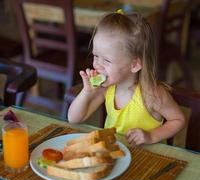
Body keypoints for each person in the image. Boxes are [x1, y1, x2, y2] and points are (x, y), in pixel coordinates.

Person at [67, 12, 185, 146]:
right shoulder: (106, 89)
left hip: (149, 159)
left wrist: (151, 136)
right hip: (115, 156)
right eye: (95, 56)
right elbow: (73, 118)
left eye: (106, 60)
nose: (97, 65)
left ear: (134, 65)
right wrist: (86, 93)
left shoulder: (152, 95)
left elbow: (178, 119)